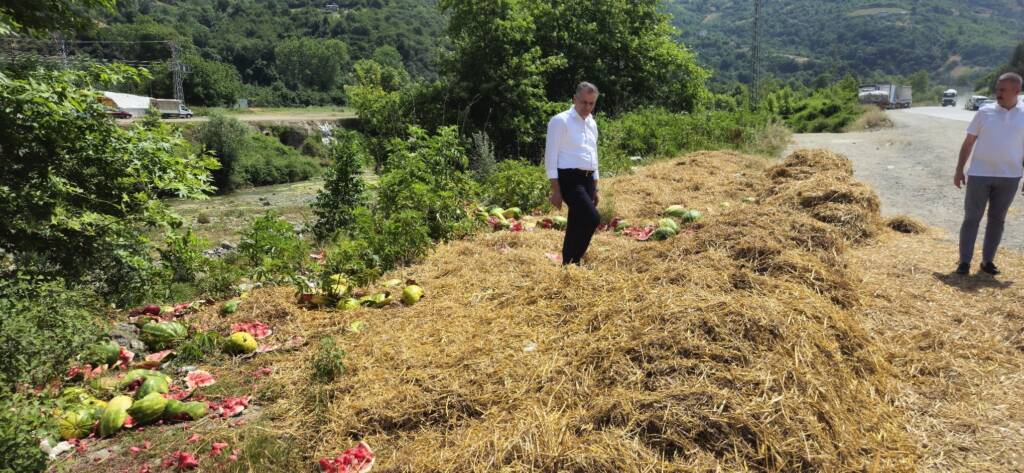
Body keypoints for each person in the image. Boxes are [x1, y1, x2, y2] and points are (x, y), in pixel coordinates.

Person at [954, 72, 1024, 275]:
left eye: (1002, 90)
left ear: (1016, 91)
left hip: (1010, 177)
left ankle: (987, 262)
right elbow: (968, 142)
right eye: (997, 88)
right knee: (972, 218)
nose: (998, 93)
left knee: (997, 220)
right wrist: (959, 170)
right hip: (979, 175)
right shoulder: (984, 112)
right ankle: (964, 262)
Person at [545, 82, 601, 266]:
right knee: (592, 218)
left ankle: (569, 264)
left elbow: (593, 154)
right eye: (583, 102)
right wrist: (556, 190)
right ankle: (574, 260)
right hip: (569, 177)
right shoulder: (560, 121)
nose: (587, 107)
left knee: (577, 221)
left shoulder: (592, 123)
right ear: (574, 99)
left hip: (588, 178)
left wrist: (596, 186)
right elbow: (551, 155)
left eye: (591, 103)